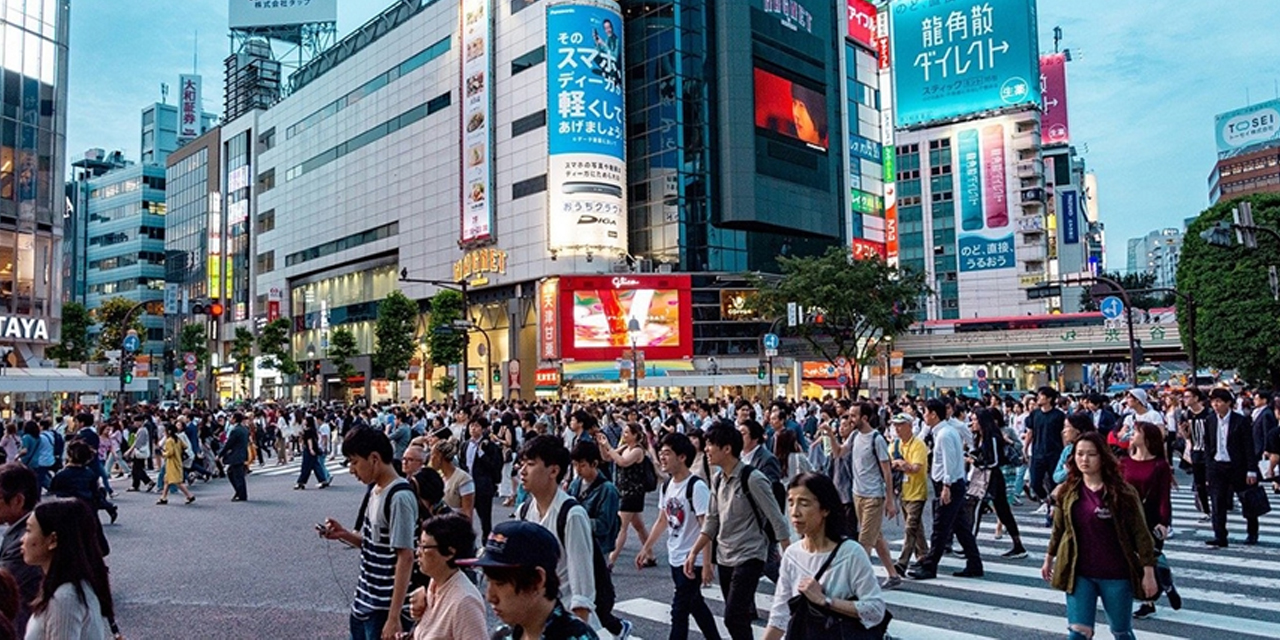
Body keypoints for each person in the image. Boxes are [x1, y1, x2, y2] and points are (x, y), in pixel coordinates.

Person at [1042, 432, 1158, 640]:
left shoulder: (1123, 492)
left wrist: (1148, 572)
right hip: (1079, 572)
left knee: (1121, 631)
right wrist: (1049, 558)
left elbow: (1141, 534)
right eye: (1079, 454)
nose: (1084, 460)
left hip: (1116, 574)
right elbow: (1059, 528)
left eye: (1091, 454)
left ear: (1102, 457)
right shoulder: (1068, 491)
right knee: (1078, 633)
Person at [684, 422, 790, 640]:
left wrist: (790, 556)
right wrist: (695, 552)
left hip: (750, 555)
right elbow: (712, 521)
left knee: (733, 617)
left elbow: (777, 519)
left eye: (710, 445)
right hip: (725, 556)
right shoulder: (717, 479)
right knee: (739, 619)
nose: (706, 450)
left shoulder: (753, 478)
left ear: (727, 449)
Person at [320, 428, 417, 640]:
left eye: (354, 462)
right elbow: (376, 544)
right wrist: (343, 534)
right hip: (364, 602)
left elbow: (405, 556)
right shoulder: (376, 490)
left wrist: (393, 618)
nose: (352, 470)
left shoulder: (399, 496)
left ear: (374, 458)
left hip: (383, 609)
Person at [762, 472, 886, 640]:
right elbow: (780, 616)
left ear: (825, 509)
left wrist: (824, 600)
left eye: (804, 503)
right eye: (790, 503)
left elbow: (875, 610)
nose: (794, 512)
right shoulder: (792, 554)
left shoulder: (851, 553)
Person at [636, 433, 720, 640]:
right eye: (661, 453)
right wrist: (646, 547)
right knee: (695, 604)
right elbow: (662, 520)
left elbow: (707, 527)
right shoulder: (667, 485)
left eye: (667, 454)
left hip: (693, 559)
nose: (662, 458)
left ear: (682, 457)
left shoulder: (696, 487)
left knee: (679, 610)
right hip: (675, 555)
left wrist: (707, 563)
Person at [462, 520, 598, 640]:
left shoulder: (576, 636)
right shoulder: (503, 633)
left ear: (538, 580)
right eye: (488, 581)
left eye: (500, 583)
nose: (490, 597)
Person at [515, 436, 599, 628]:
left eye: (530, 464)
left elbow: (582, 587)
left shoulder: (571, 515)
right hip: (536, 618)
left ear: (553, 470)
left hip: (566, 620)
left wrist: (576, 629)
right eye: (522, 464)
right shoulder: (524, 511)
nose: (522, 471)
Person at [908, 399, 983, 580]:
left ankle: (930, 566)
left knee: (940, 526)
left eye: (925, 412)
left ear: (934, 414)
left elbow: (949, 462)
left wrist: (947, 486)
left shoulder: (944, 434)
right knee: (960, 527)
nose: (924, 416)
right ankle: (974, 564)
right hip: (950, 483)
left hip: (949, 484)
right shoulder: (942, 432)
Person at [21, 497, 116, 640]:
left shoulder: (65, 598)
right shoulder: (68, 587)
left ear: (52, 540)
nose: (22, 539)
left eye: (28, 530)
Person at [1121, 421, 1180, 619]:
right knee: (1131, 558)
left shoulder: (1160, 465)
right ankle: (1163, 583)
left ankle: (1150, 600)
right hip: (1128, 517)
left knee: (1150, 557)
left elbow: (1164, 497)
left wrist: (1164, 522)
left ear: (1147, 438)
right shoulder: (1124, 462)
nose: (1131, 434)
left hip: (1151, 517)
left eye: (1136, 432)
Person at [405, 513, 488, 640]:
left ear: (450, 552)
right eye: (418, 544)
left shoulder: (465, 602)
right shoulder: (435, 584)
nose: (418, 552)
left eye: (424, 547)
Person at [1204, 388, 1260, 547]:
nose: (1215, 405)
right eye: (1213, 401)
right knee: (1217, 502)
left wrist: (1251, 469)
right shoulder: (1210, 420)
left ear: (1228, 403)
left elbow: (1249, 446)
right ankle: (1220, 535)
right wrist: (1209, 469)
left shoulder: (1240, 421)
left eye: (1219, 401)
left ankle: (1252, 532)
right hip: (1217, 466)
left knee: (1246, 500)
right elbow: (1208, 446)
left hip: (1238, 466)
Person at [970, 408, 1027, 559]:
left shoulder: (993, 437)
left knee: (985, 510)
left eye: (975, 420)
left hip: (993, 477)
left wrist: (976, 461)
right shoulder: (980, 437)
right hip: (985, 477)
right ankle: (1017, 545)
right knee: (993, 510)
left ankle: (970, 546)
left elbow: (995, 460)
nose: (972, 423)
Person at [596, 422, 652, 569]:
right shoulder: (625, 448)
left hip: (633, 493)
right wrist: (603, 445)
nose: (624, 435)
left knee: (622, 526)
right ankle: (650, 554)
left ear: (635, 435)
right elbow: (607, 458)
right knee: (638, 525)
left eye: (627, 433)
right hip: (624, 491)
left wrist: (608, 446)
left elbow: (622, 462)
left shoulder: (638, 450)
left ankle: (611, 560)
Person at [0, 464, 41, 636]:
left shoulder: (25, 541)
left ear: (18, 500)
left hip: (21, 626)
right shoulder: (21, 531)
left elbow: (4, 584)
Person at [888, 414, 928, 577]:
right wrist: (902, 465)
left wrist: (903, 465)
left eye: (901, 425)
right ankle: (924, 555)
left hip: (917, 491)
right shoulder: (894, 445)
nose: (897, 429)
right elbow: (890, 465)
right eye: (895, 425)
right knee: (916, 526)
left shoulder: (918, 444)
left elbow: (916, 467)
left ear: (910, 426)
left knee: (910, 527)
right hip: (903, 491)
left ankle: (902, 562)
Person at [49, 442, 118, 525]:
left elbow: (53, 491)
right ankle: (109, 507)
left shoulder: (61, 475)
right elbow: (95, 492)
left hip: (66, 508)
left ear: (69, 456)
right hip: (86, 507)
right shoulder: (89, 473)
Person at [458, 416, 503, 540]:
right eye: (471, 425)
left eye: (477, 426)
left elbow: (494, 466)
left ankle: (486, 541)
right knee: (465, 517)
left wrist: (481, 453)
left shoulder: (489, 446)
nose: (473, 428)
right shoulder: (465, 445)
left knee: (485, 519)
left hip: (483, 486)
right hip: (467, 486)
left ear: (483, 429)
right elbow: (462, 462)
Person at [1026, 387, 1067, 509]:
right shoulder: (1035, 414)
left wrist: (1066, 452)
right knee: (1034, 482)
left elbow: (1063, 434)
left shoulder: (1059, 415)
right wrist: (1025, 448)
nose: (1038, 398)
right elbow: (1030, 432)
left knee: (1054, 482)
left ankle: (1055, 508)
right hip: (1037, 453)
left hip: (1054, 453)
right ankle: (1046, 500)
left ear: (1049, 399)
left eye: (1041, 395)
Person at [156, 424, 196, 506]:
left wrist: (163, 453)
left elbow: (170, 453)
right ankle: (163, 497)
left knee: (177, 481)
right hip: (178, 461)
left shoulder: (169, 441)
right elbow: (185, 446)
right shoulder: (178, 439)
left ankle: (189, 495)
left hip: (172, 463)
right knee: (167, 480)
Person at [219, 413, 250, 502]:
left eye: (231, 417)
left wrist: (220, 454)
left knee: (237, 475)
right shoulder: (244, 429)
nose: (230, 419)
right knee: (233, 473)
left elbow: (229, 444)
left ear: (235, 419)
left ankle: (241, 494)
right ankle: (240, 492)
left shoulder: (235, 430)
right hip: (242, 453)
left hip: (236, 454)